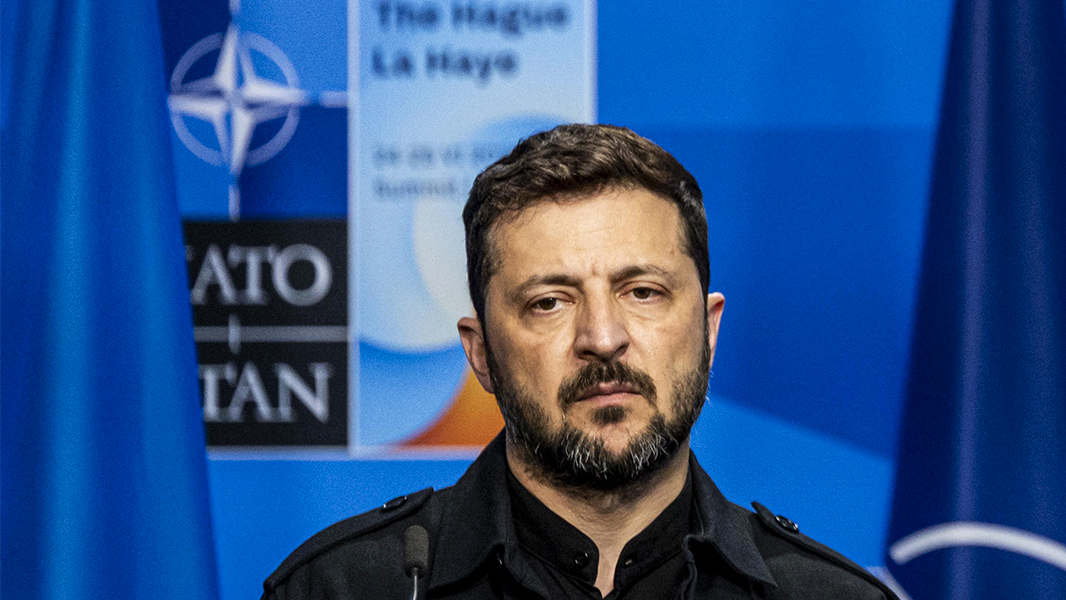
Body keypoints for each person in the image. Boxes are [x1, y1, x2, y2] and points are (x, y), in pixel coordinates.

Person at [262, 124, 899, 600]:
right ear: (481, 353)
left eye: (643, 292)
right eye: (549, 302)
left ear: (708, 331)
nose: (602, 337)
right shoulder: (339, 589)